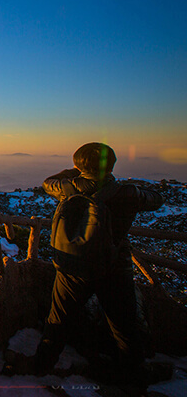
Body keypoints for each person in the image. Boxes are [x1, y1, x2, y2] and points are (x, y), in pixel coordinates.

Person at [21, 142, 164, 382]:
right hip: (113, 267)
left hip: (72, 266)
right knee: (123, 323)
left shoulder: (66, 189)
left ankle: (41, 365)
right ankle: (135, 372)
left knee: (58, 320)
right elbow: (156, 199)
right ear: (111, 165)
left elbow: (48, 182)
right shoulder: (126, 194)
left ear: (77, 165)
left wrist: (74, 173)